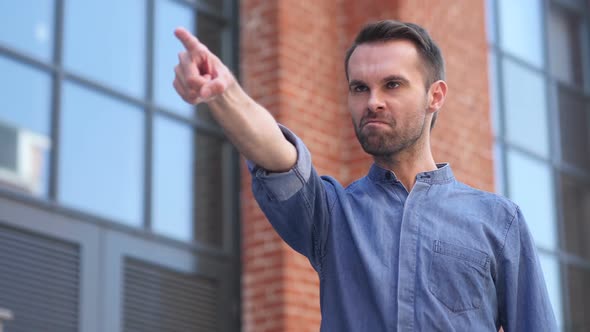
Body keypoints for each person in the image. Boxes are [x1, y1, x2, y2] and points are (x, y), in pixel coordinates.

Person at [173, 20, 557, 331]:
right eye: (360, 88)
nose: (372, 101)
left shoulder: (499, 221)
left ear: (435, 96)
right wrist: (223, 94)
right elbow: (277, 156)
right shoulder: (333, 217)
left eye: (392, 84)